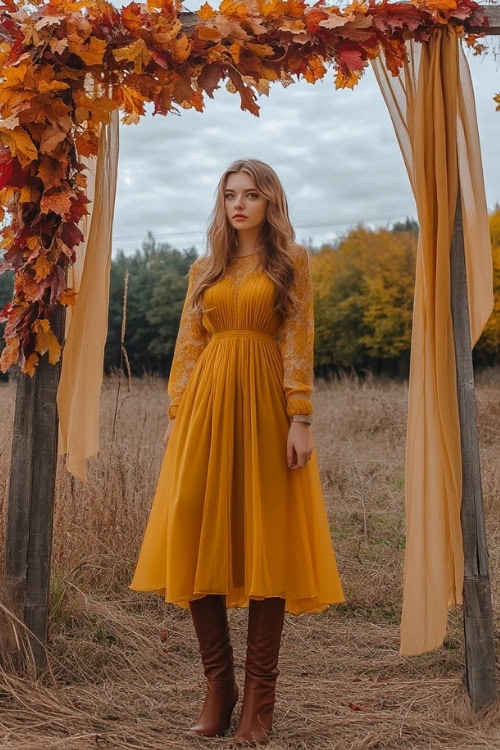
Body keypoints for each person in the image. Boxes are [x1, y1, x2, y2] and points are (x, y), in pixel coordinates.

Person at [129, 158, 345, 744]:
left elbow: (300, 336)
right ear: (222, 204)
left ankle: (260, 699)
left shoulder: (291, 263)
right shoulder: (205, 267)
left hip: (265, 404)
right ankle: (218, 687)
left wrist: (300, 416)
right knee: (193, 520)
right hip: (206, 405)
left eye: (251, 194)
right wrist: (177, 413)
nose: (240, 204)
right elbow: (188, 344)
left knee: (265, 533)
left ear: (270, 201)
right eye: (230, 195)